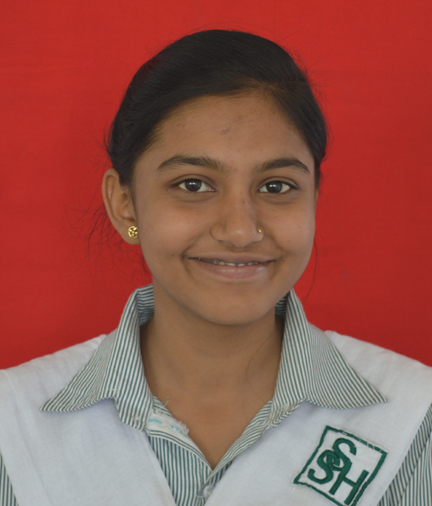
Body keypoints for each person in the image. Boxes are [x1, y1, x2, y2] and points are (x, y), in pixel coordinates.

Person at [0, 29, 431, 506]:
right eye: (193, 185)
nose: (240, 230)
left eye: (276, 187)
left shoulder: (413, 421)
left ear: (314, 198)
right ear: (124, 205)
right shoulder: (15, 427)